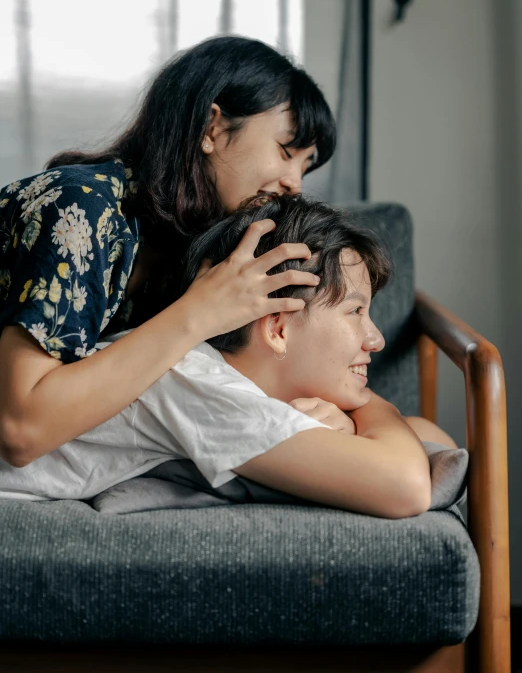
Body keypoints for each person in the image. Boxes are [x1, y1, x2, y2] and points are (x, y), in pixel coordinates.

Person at [0, 195, 454, 518]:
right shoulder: (201, 385)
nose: (375, 339)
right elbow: (408, 486)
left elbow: (434, 443)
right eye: (356, 311)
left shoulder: (210, 377)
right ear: (277, 327)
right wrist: (371, 407)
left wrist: (353, 422)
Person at [0, 35, 335, 468]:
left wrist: (321, 418)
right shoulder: (79, 206)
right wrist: (199, 313)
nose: (295, 183)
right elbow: (21, 430)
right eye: (286, 152)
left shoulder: (194, 253)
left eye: (305, 166)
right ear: (211, 128)